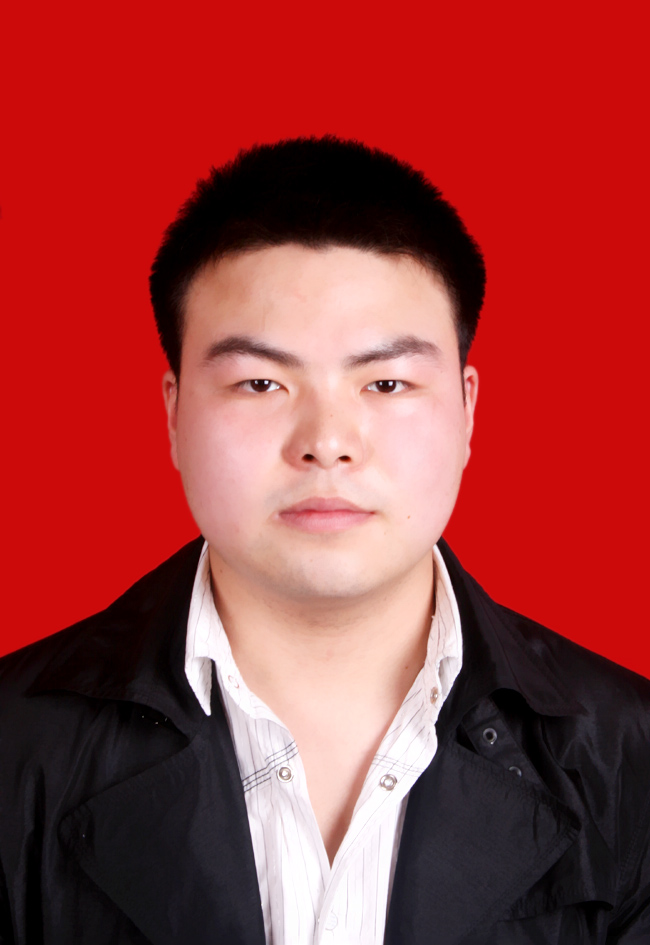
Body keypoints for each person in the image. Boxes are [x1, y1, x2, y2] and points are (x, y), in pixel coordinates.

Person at [0, 136, 648, 945]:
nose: (327, 442)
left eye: (386, 382)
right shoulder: (13, 750)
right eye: (261, 382)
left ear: (467, 408)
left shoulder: (629, 760)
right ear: (173, 411)